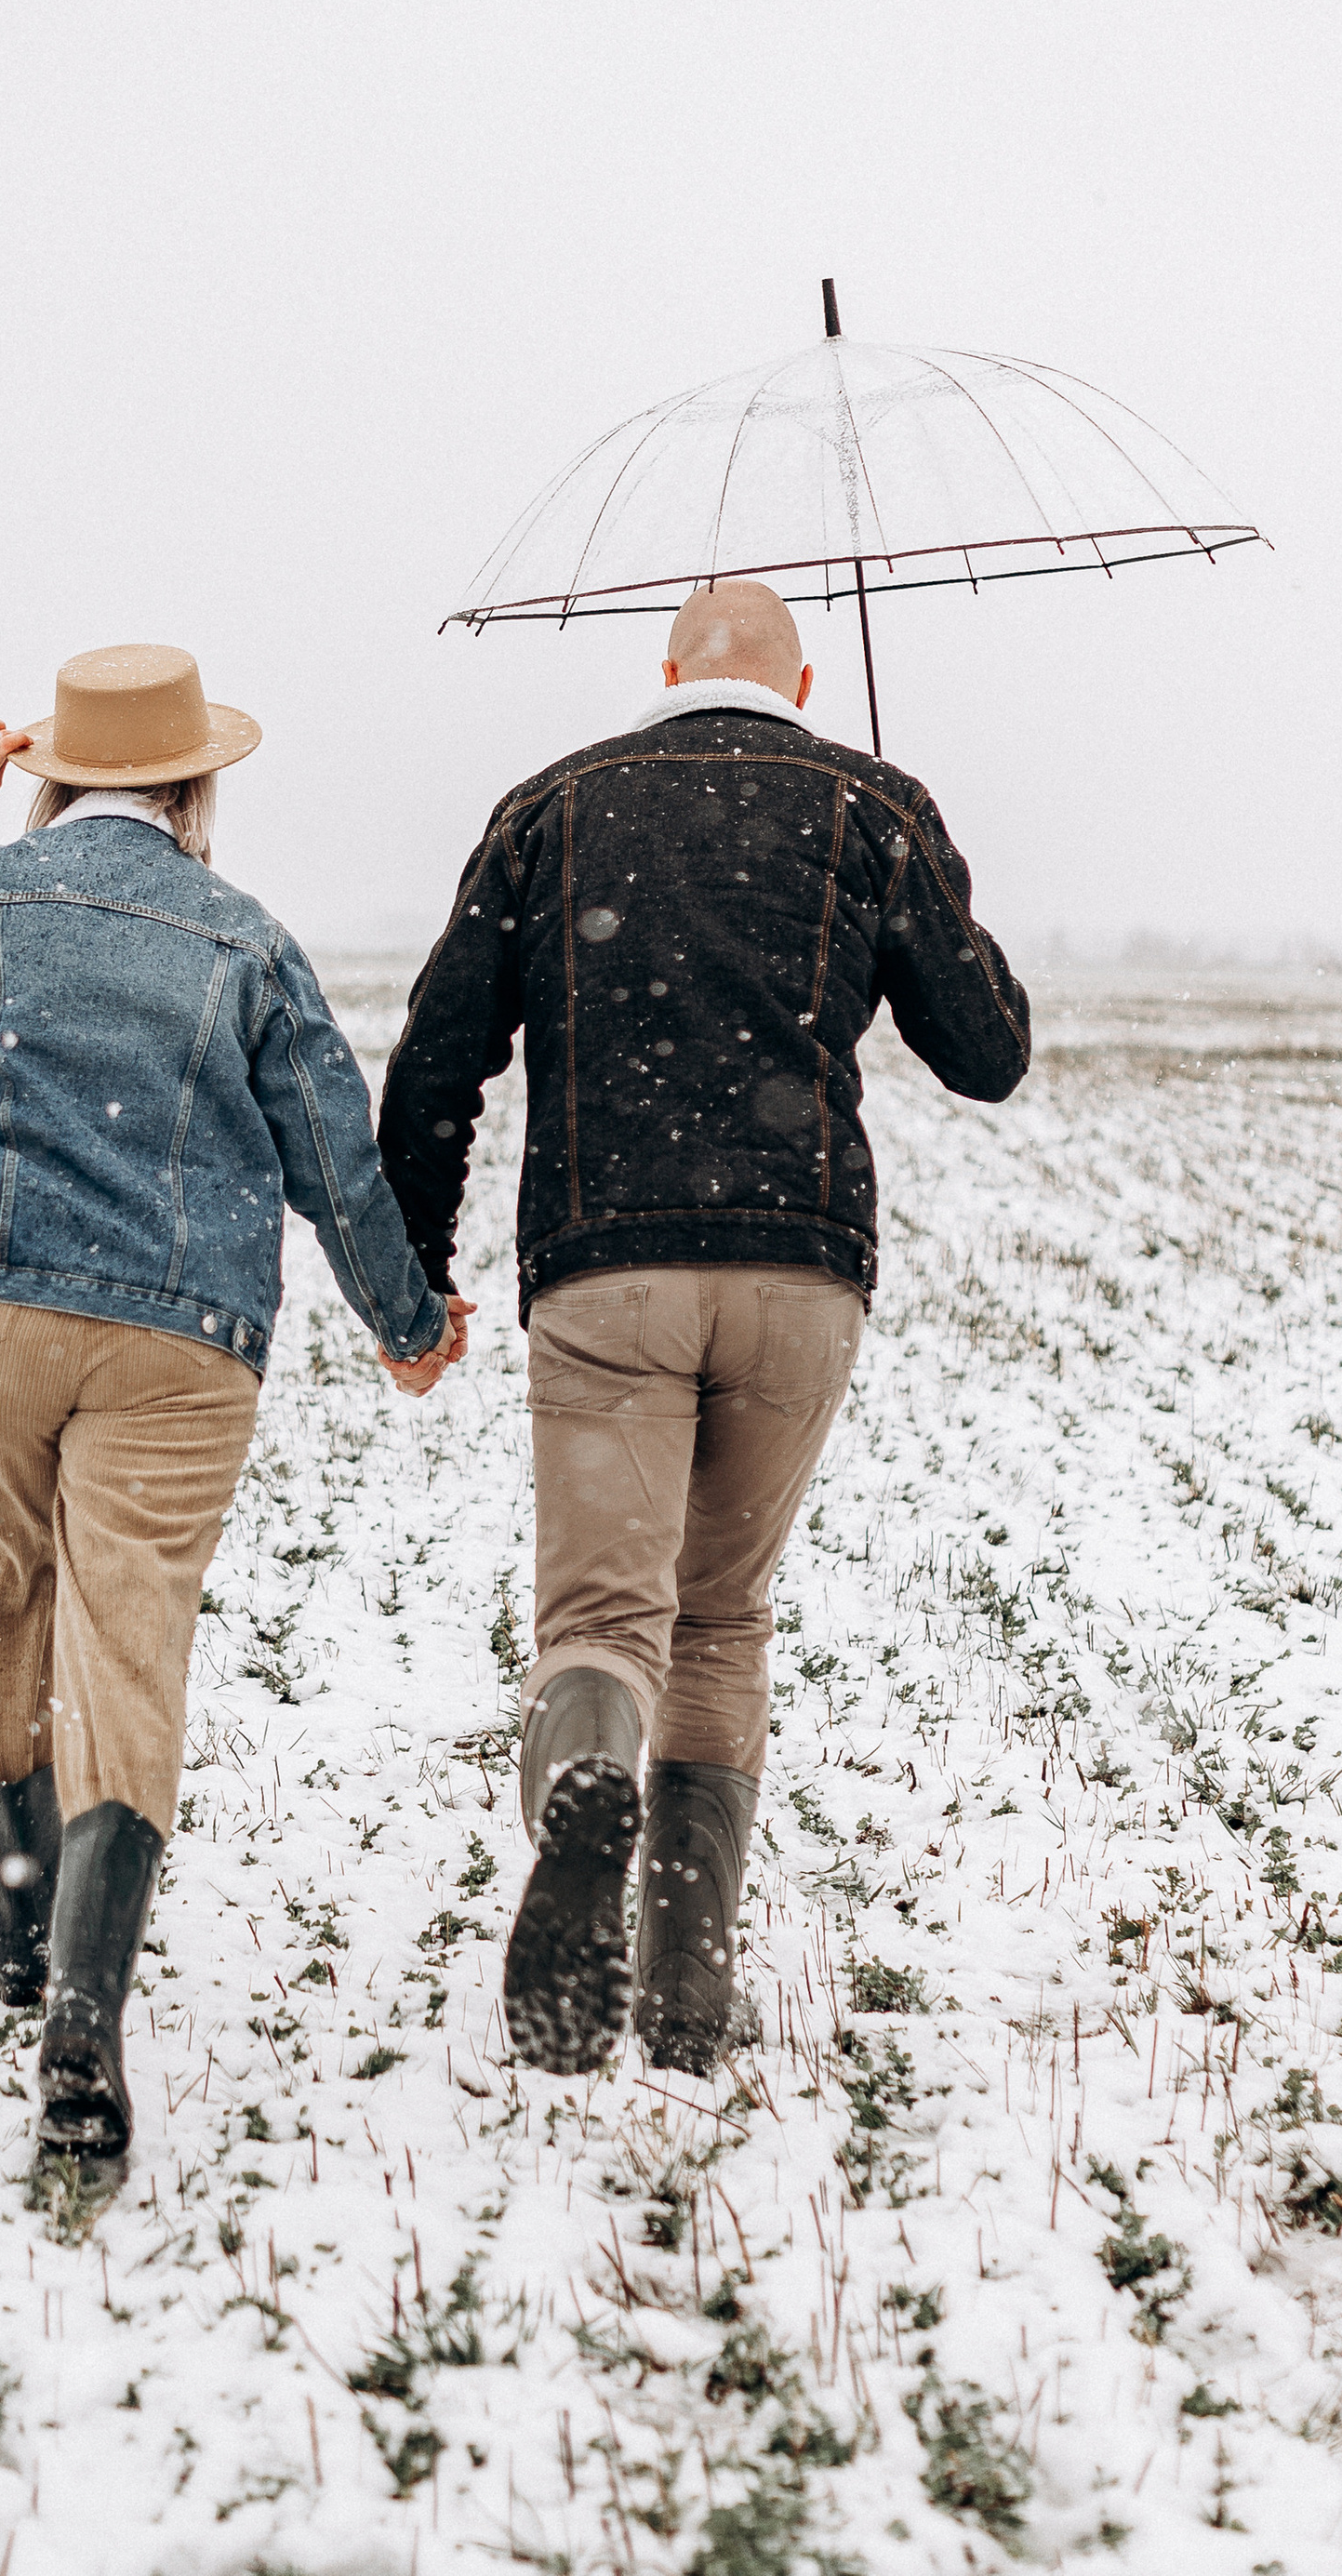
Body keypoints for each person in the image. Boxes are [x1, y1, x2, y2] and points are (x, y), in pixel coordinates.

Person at [0, 643, 466, 2163]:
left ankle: (18, 1926)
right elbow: (331, 1161)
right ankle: (86, 2003)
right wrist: (408, 1322)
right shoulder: (248, 943)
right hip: (180, 1335)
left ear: (52, 776)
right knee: (129, 1636)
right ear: (197, 785)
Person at [376, 578, 1027, 2077]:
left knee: (605, 1621)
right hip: (802, 1273)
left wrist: (417, 1271)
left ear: (666, 669)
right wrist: (921, 869)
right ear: (800, 690)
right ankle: (683, 1993)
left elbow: (436, 1062)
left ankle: (591, 1768)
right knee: (722, 1617)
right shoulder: (873, 806)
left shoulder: (553, 805)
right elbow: (987, 1052)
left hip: (607, 1267)